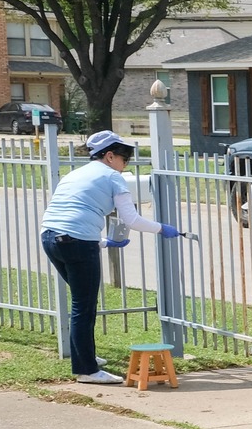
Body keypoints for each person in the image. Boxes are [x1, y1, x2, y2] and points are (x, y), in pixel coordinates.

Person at [37, 130, 182, 384]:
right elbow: (132, 219)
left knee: (83, 301)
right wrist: (163, 229)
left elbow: (69, 217)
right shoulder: (113, 177)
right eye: (124, 157)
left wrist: (104, 242)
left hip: (50, 238)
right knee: (84, 306)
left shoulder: (74, 174)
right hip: (78, 242)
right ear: (109, 155)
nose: (126, 163)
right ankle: (87, 370)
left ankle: (87, 356)